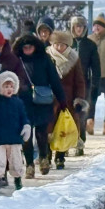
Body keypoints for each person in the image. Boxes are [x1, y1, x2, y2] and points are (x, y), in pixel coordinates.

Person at [14, 32, 66, 177]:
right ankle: (29, 164)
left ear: (36, 47)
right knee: (26, 134)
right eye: (25, 47)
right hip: (23, 102)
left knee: (42, 132)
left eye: (30, 47)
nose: (28, 50)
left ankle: (43, 158)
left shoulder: (44, 59)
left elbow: (54, 80)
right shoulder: (17, 61)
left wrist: (62, 100)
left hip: (43, 101)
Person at [47, 30, 87, 169]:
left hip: (67, 101)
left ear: (68, 45)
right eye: (57, 44)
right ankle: (46, 155)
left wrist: (79, 99)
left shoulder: (74, 59)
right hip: (49, 100)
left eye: (62, 45)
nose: (59, 47)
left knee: (63, 129)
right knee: (48, 129)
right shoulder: (47, 57)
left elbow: (80, 81)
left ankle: (60, 157)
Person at [0, 72, 30, 194]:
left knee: (16, 160)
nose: (9, 89)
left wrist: (26, 126)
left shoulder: (18, 103)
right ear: (0, 87)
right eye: (6, 86)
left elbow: (24, 117)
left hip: (15, 138)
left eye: (11, 86)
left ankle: (17, 180)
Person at [69, 15, 100, 152]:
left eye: (81, 26)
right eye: (76, 26)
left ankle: (80, 142)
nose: (79, 29)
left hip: (84, 84)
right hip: (68, 84)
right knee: (68, 114)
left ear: (85, 28)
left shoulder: (90, 45)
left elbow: (96, 67)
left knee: (81, 114)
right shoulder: (67, 44)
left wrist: (95, 85)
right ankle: (66, 143)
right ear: (72, 28)